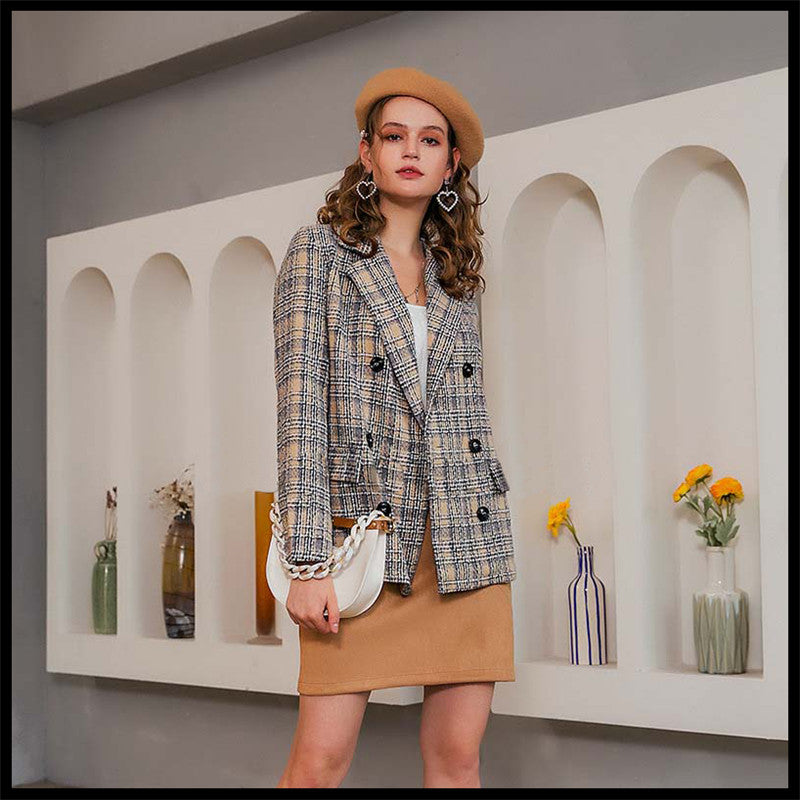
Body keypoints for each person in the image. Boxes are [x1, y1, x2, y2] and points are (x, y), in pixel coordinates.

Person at [273, 67, 516, 789]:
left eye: (430, 140)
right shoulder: (318, 255)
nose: (411, 150)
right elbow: (299, 415)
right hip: (364, 540)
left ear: (452, 164)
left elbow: (463, 414)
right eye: (394, 136)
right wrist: (308, 563)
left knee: (458, 760)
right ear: (367, 152)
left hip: (464, 540)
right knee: (318, 765)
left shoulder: (455, 275)